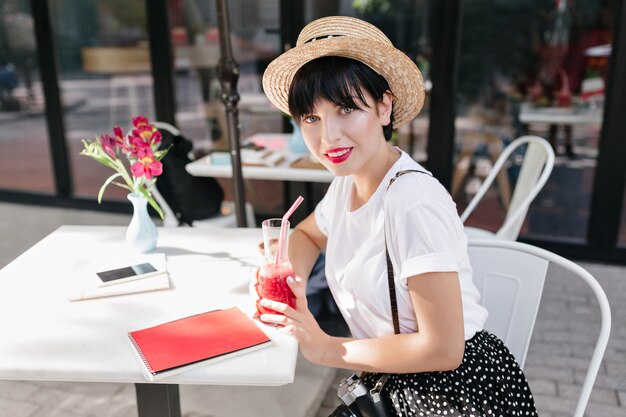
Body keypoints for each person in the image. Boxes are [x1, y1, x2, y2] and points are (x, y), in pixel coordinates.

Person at [258, 16, 538, 416]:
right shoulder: (347, 183)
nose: (328, 137)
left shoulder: (411, 201)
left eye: (345, 109)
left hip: (453, 393)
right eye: (311, 118)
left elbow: (443, 349)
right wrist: (291, 280)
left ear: (384, 106)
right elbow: (305, 236)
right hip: (393, 380)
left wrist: (327, 348)